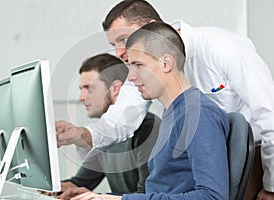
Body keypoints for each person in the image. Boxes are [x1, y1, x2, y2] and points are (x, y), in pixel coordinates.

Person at [56, 1, 274, 198]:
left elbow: (270, 115)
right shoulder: (150, 80)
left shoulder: (222, 47)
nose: (119, 53)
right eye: (115, 45)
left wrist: (271, 186)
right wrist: (81, 134)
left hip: (252, 160)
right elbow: (119, 121)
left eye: (123, 39)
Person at [68, 21, 230, 200]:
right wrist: (101, 197)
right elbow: (160, 192)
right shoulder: (174, 113)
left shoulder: (198, 114)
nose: (131, 76)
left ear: (166, 63)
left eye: (138, 65)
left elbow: (212, 197)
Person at [54, 53, 160, 198]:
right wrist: (55, 188)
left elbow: (148, 195)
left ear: (115, 88)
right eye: (81, 89)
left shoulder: (148, 129)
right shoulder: (102, 136)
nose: (81, 97)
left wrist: (96, 196)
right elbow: (80, 182)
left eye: (89, 88)